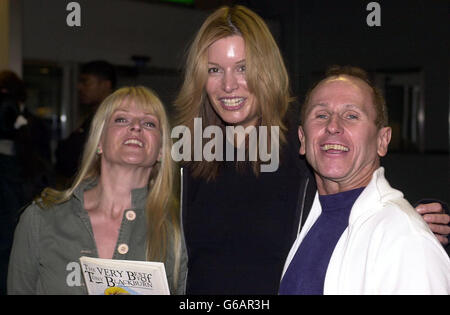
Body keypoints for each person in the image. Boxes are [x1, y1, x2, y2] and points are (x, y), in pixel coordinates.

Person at [173, 5, 450, 294]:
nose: (228, 85)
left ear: (266, 70)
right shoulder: (193, 152)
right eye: (214, 70)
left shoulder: (306, 145)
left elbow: (363, 193)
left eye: (243, 68)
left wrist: (419, 217)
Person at [279, 66, 450, 294]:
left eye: (351, 116)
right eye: (321, 115)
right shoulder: (301, 217)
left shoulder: (405, 240)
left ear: (382, 140)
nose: (332, 126)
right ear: (302, 138)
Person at [8, 86, 187, 294]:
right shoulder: (41, 219)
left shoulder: (176, 229)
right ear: (99, 142)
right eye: (121, 119)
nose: (136, 127)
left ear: (160, 151)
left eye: (149, 123)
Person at [55, 60, 116, 184]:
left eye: (86, 82)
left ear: (105, 85)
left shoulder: (114, 120)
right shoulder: (92, 118)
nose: (79, 87)